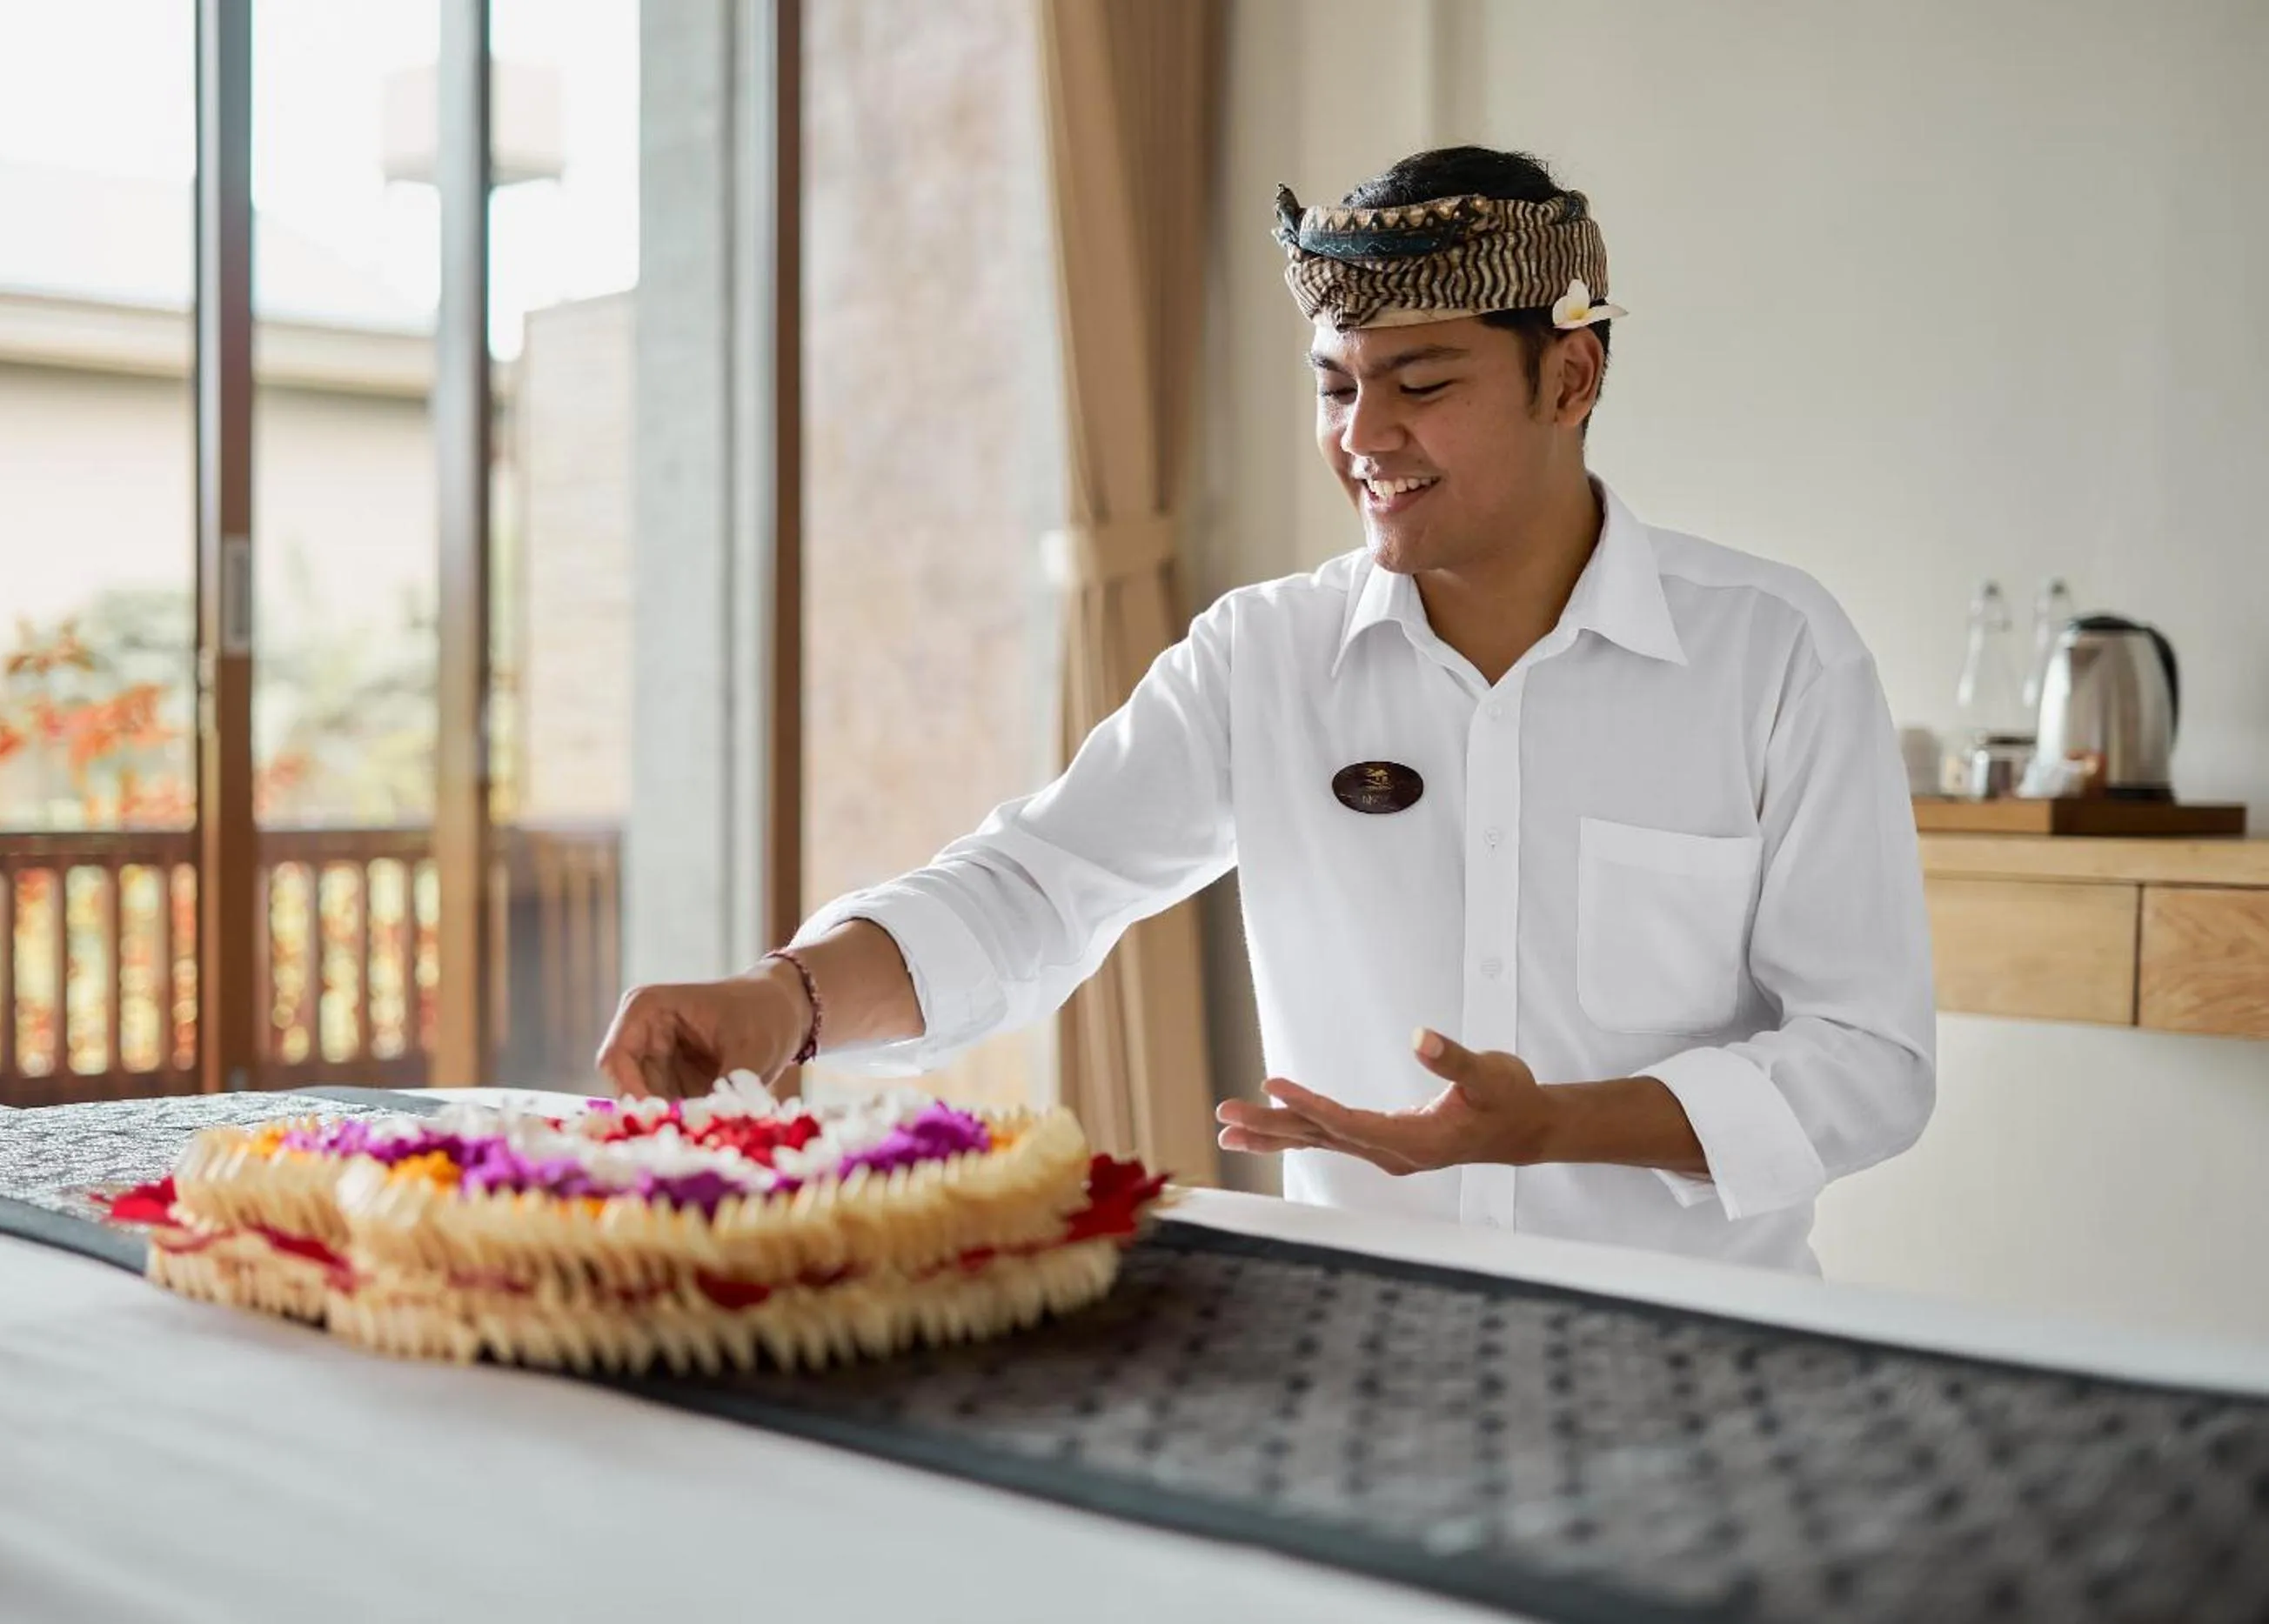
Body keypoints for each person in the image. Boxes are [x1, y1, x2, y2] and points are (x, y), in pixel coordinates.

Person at [596, 145, 1934, 1273]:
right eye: (1337, 385)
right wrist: (786, 1002)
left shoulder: (1777, 653)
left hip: (1701, 1368)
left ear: (1571, 379)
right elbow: (1035, 885)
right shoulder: (1265, 656)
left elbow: (1869, 1061)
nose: (1364, 435)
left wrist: (1555, 1123)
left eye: (1422, 384)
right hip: (1366, 1357)